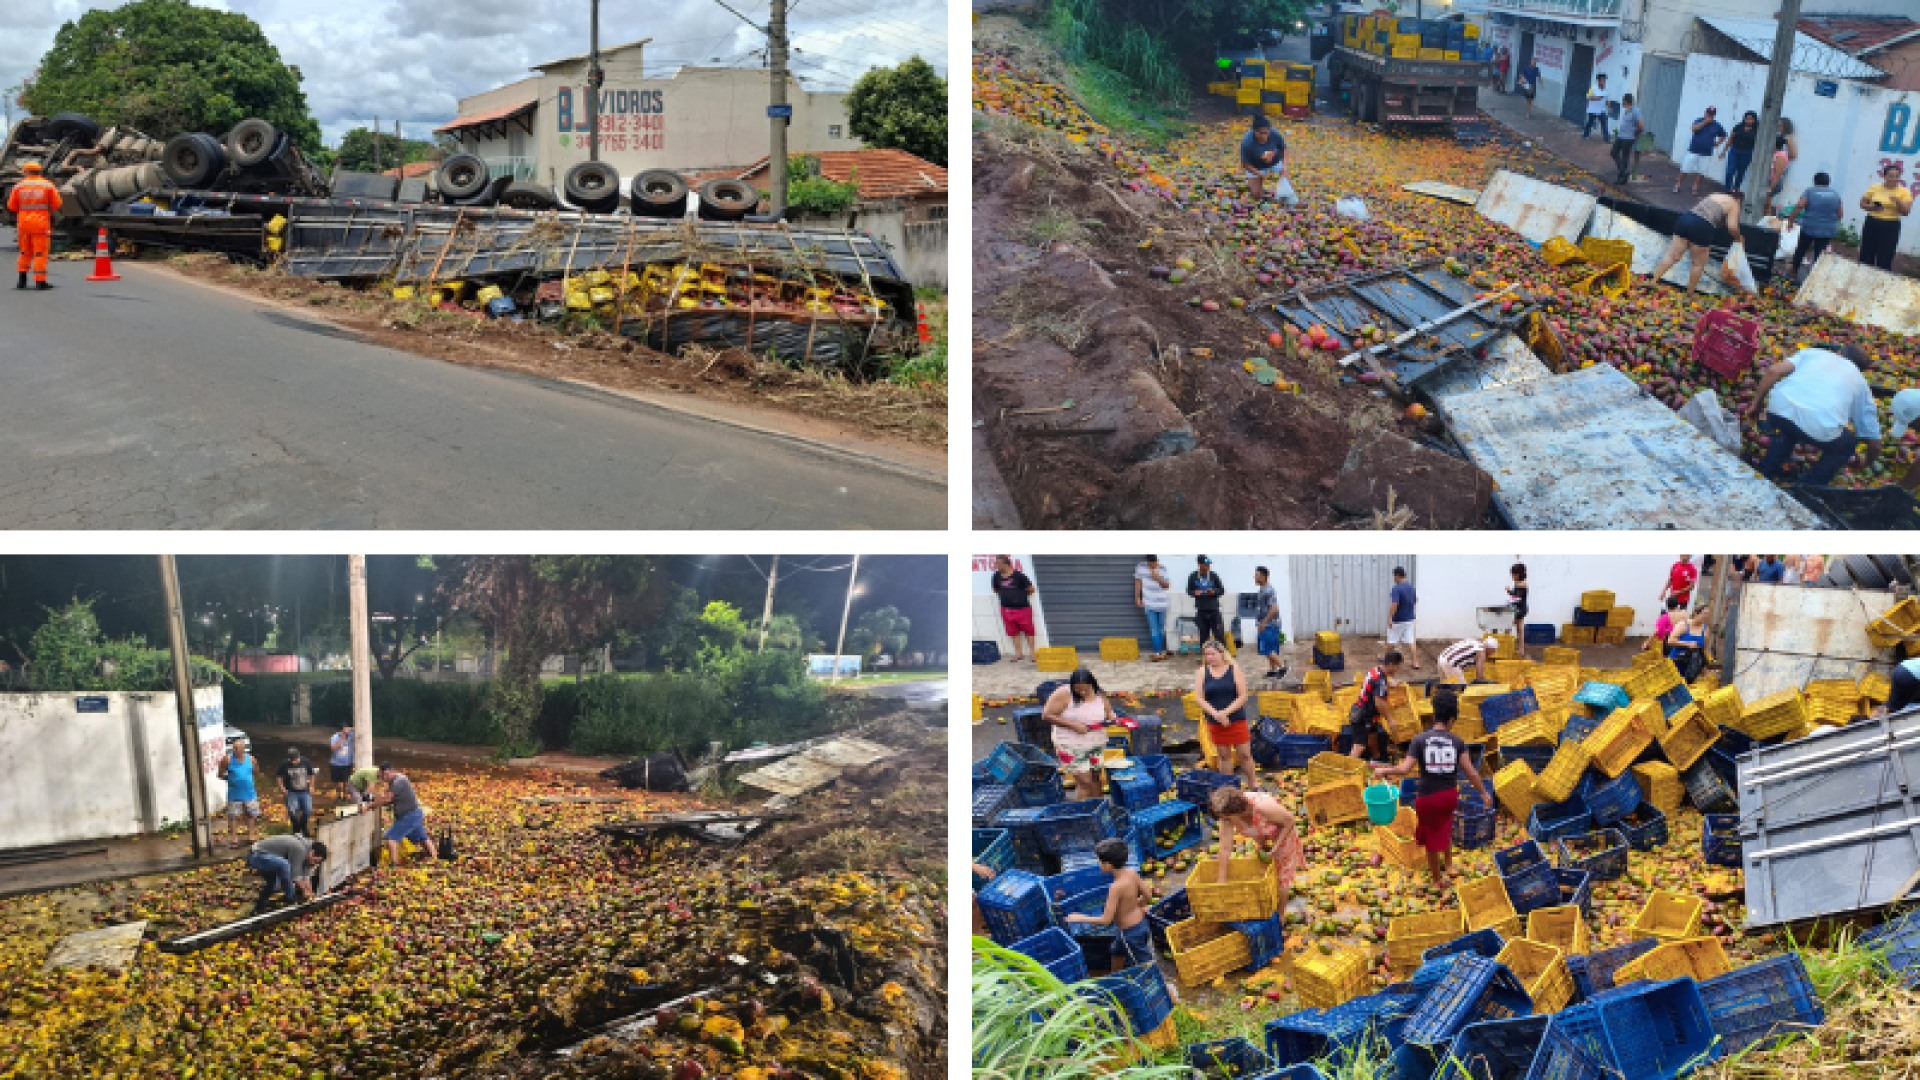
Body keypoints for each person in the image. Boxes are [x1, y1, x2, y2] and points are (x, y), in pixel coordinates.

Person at [1371, 691, 1489, 888]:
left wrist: (1383, 770)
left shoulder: (1419, 740)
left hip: (1428, 798)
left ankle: (1437, 879)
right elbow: (1471, 773)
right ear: (1452, 720)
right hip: (1449, 796)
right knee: (1446, 825)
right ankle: (1449, 865)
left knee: (1432, 838)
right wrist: (1484, 793)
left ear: (1434, 716)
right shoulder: (1457, 742)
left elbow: (1404, 769)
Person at [1747, 344, 1880, 486]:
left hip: (1777, 410)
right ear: (1860, 370)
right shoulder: (1860, 383)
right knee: (1846, 445)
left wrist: (1755, 405)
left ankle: (1769, 467)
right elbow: (1875, 444)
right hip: (1818, 427)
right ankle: (1809, 486)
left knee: (1788, 426)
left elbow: (1773, 371)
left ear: (1839, 353)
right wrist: (1867, 462)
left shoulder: (1813, 353)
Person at [1207, 785, 1307, 922]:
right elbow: (1225, 847)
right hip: (1264, 840)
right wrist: (1222, 878)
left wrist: (1276, 847)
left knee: (1282, 878)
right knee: (1266, 872)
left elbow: (1289, 821)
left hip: (1283, 837)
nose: (1223, 820)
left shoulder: (1262, 807)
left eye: (1225, 817)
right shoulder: (1227, 816)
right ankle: (1268, 902)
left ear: (1234, 811)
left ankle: (1280, 915)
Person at [1061, 837, 1157, 967]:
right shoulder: (1132, 873)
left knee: (1145, 964)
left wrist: (1080, 917)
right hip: (1141, 923)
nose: (1098, 863)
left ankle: (1157, 980)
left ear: (1108, 865)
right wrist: (1133, 906)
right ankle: (1114, 974)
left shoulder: (1115, 888)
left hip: (1130, 934)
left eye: (1099, 861)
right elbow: (1148, 895)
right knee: (1116, 951)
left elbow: (1106, 920)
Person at [1648, 192, 1744, 295]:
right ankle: (1689, 294)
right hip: (1702, 225)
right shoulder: (1734, 204)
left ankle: (1653, 281)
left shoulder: (1715, 195)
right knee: (1698, 264)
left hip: (1686, 219)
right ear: (1739, 200)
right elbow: (1732, 227)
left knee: (1672, 256)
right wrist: (1739, 238)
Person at [1044, 667, 1117, 801]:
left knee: (1096, 778)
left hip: (1095, 743)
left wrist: (1113, 718)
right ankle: (1080, 810)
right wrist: (1073, 725)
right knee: (1085, 782)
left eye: (1085, 689)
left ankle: (1099, 807)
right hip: (1071, 745)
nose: (1082, 692)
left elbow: (1108, 713)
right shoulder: (1063, 694)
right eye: (1077, 689)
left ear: (1092, 685)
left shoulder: (1100, 694)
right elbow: (1047, 715)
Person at [1195, 640, 1256, 785]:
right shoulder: (1203, 672)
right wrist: (1216, 714)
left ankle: (1253, 784)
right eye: (1207, 654)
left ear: (1222, 653)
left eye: (1213, 654)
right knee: (1224, 756)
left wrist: (1225, 713)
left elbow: (1243, 696)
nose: (1209, 657)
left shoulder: (1234, 669)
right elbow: (1199, 698)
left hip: (1236, 719)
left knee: (1245, 754)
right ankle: (1228, 788)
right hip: (1215, 721)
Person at [7, 161, 62, 290]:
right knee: (40, 253)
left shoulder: (19, 186)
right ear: (39, 171)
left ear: (26, 172)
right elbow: (57, 204)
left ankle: (22, 280)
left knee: (24, 252)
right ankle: (40, 282)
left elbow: (11, 206)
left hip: (24, 224)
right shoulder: (47, 185)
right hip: (40, 224)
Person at [371, 764, 438, 866]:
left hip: (408, 816)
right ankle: (434, 859)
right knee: (422, 838)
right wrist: (379, 801)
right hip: (414, 814)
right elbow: (390, 800)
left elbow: (387, 799)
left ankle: (394, 865)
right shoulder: (394, 782)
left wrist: (370, 806)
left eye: (385, 775)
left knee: (391, 838)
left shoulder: (399, 781)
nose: (384, 778)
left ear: (391, 771)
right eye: (382, 776)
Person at [1342, 650, 1402, 762]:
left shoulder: (1376, 671)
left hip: (1368, 714)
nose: (1397, 670)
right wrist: (1390, 720)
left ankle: (1376, 758)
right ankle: (1348, 768)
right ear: (1391, 665)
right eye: (1397, 667)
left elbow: (1375, 685)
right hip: (1363, 715)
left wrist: (1390, 685)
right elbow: (1379, 703)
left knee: (1373, 736)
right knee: (1359, 745)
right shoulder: (1380, 680)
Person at [246, 834, 327, 914]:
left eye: (317, 862)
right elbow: (295, 876)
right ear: (312, 852)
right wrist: (304, 890)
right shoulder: (299, 849)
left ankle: (259, 908)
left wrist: (310, 893)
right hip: (256, 856)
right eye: (315, 861)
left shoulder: (308, 854)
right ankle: (290, 897)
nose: (314, 863)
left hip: (271, 860)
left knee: (273, 884)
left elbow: (306, 877)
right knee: (285, 865)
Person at [1786, 172, 1844, 279]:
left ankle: (1794, 271)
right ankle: (1814, 277)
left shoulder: (1809, 191)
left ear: (1815, 181)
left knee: (1802, 248)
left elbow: (1800, 206)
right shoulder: (1836, 194)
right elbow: (1840, 215)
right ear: (1828, 182)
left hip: (1810, 227)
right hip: (1827, 230)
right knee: (1820, 253)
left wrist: (1791, 219)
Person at [1858, 163, 1912, 271]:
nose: (1894, 179)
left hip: (1891, 225)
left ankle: (1882, 277)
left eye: (1897, 176)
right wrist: (1872, 207)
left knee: (1886, 254)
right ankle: (1864, 274)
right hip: (1872, 222)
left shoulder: (1904, 191)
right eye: (1891, 176)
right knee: (1867, 251)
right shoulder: (1875, 187)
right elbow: (1862, 204)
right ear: (1885, 176)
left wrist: (1899, 203)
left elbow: (1906, 212)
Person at [1240, 115, 1294, 206]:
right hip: (1255, 166)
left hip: (1274, 162)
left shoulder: (1275, 133)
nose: (1264, 136)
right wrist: (1261, 174)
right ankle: (1265, 198)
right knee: (1256, 195)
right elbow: (1245, 164)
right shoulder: (1246, 142)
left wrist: (1284, 166)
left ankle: (1283, 202)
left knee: (1287, 189)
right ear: (1254, 131)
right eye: (1261, 133)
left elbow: (1284, 149)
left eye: (1266, 133)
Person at [217, 738, 262, 849]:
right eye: (233, 748)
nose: (234, 750)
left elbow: (256, 772)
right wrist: (231, 779)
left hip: (249, 793)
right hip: (234, 794)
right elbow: (220, 774)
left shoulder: (251, 759)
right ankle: (234, 839)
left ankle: (251, 836)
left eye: (237, 748)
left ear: (243, 749)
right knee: (233, 817)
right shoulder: (227, 759)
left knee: (251, 815)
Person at [991, 556, 1036, 663]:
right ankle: (1018, 654)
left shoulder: (1019, 575)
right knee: (1013, 632)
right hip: (1006, 609)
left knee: (1029, 631)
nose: (996, 565)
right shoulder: (996, 576)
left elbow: (1031, 589)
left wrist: (1021, 596)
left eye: (998, 563)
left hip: (1023, 608)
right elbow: (996, 590)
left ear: (1006, 564)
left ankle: (1033, 654)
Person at [1675, 108, 1726, 196]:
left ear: (1714, 115)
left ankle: (1695, 187)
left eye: (1711, 115)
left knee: (1701, 171)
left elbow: (1723, 135)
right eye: (1708, 114)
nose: (1709, 116)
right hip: (1694, 150)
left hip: (1706, 153)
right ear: (1705, 113)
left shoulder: (1717, 125)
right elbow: (1693, 129)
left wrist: (1718, 143)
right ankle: (1678, 184)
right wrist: (1705, 122)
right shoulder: (1699, 120)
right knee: (1685, 169)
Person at [1135, 556, 1173, 661]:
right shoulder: (1140, 567)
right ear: (1147, 562)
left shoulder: (1162, 569)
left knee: (1161, 629)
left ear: (1157, 561)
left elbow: (1167, 586)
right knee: (1154, 629)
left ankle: (1160, 652)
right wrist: (1138, 597)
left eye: (1154, 564)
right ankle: (1157, 652)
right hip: (1149, 603)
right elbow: (1138, 583)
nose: (1152, 566)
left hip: (1162, 604)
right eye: (1150, 565)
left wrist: (1158, 579)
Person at [1188, 556, 1229, 651]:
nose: (1208, 566)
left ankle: (1223, 655)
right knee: (1203, 636)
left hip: (1214, 610)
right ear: (1199, 564)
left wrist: (1214, 591)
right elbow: (1189, 591)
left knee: (1219, 635)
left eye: (1209, 564)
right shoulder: (1193, 576)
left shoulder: (1214, 575)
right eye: (1206, 564)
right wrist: (1194, 593)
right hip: (1201, 610)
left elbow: (1222, 590)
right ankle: (1205, 656)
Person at [276, 747, 318, 838]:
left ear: (299, 757)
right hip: (291, 792)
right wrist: (282, 788)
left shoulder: (305, 762)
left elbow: (311, 774)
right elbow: (279, 777)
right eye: (292, 760)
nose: (294, 762)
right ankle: (296, 830)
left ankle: (303, 825)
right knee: (293, 812)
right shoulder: (284, 764)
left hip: (305, 791)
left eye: (296, 760)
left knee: (308, 810)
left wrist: (311, 786)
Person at [1254, 566, 1286, 679]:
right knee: (1270, 649)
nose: (1254, 577)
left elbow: (1274, 609)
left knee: (1267, 649)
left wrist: (1264, 623)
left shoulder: (1268, 590)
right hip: (1266, 624)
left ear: (1264, 577)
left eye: (1257, 575)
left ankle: (1283, 667)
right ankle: (1273, 670)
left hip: (1269, 625)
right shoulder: (1263, 590)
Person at [1387, 567, 1420, 671]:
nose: (1394, 578)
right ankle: (1415, 662)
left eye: (1394, 576)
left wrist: (1390, 617)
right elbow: (1415, 601)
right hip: (1409, 619)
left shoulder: (1397, 588)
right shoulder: (1411, 587)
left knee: (1392, 641)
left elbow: (1394, 603)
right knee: (1411, 640)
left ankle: (1387, 661)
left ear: (1397, 575)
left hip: (1398, 620)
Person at [1666, 605, 1709, 681]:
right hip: (1676, 662)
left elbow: (1704, 650)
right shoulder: (1684, 625)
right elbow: (1670, 641)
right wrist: (1688, 644)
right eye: (1704, 613)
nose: (1706, 616)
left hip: (1691, 666)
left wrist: (1704, 668)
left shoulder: (1705, 629)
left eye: (1707, 614)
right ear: (1696, 613)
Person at [1720, 111, 1759, 192]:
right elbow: (1731, 139)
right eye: (1747, 119)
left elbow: (1758, 144)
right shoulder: (1738, 127)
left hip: (1747, 153)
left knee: (1741, 172)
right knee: (1730, 171)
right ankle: (1727, 189)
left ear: (1754, 120)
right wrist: (1724, 151)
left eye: (1751, 119)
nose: (1748, 121)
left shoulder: (1757, 130)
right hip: (1734, 151)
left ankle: (1736, 188)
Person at [1611, 94, 1644, 185]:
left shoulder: (1636, 111)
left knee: (1625, 157)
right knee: (1613, 152)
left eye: (1623, 100)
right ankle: (1624, 172)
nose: (1622, 102)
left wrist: (1636, 134)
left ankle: (1622, 178)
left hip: (1629, 138)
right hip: (1621, 136)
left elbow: (1641, 126)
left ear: (1626, 101)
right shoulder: (1626, 111)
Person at [329, 724, 355, 804]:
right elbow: (332, 748)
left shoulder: (351, 735)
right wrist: (341, 741)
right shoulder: (334, 737)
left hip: (347, 764)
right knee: (336, 782)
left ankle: (345, 797)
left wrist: (350, 729)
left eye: (347, 730)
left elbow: (359, 729)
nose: (346, 733)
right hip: (336, 763)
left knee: (346, 782)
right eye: (344, 730)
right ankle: (338, 796)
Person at [1582, 74, 1610, 141]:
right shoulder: (1593, 88)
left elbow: (1607, 99)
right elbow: (1588, 96)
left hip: (1601, 110)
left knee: (1604, 124)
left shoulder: (1606, 89)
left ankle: (1607, 139)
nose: (1604, 82)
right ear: (1599, 81)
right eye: (1602, 80)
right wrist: (1597, 98)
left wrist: (1608, 107)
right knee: (1590, 123)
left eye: (1604, 80)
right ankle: (1585, 135)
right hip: (1593, 110)